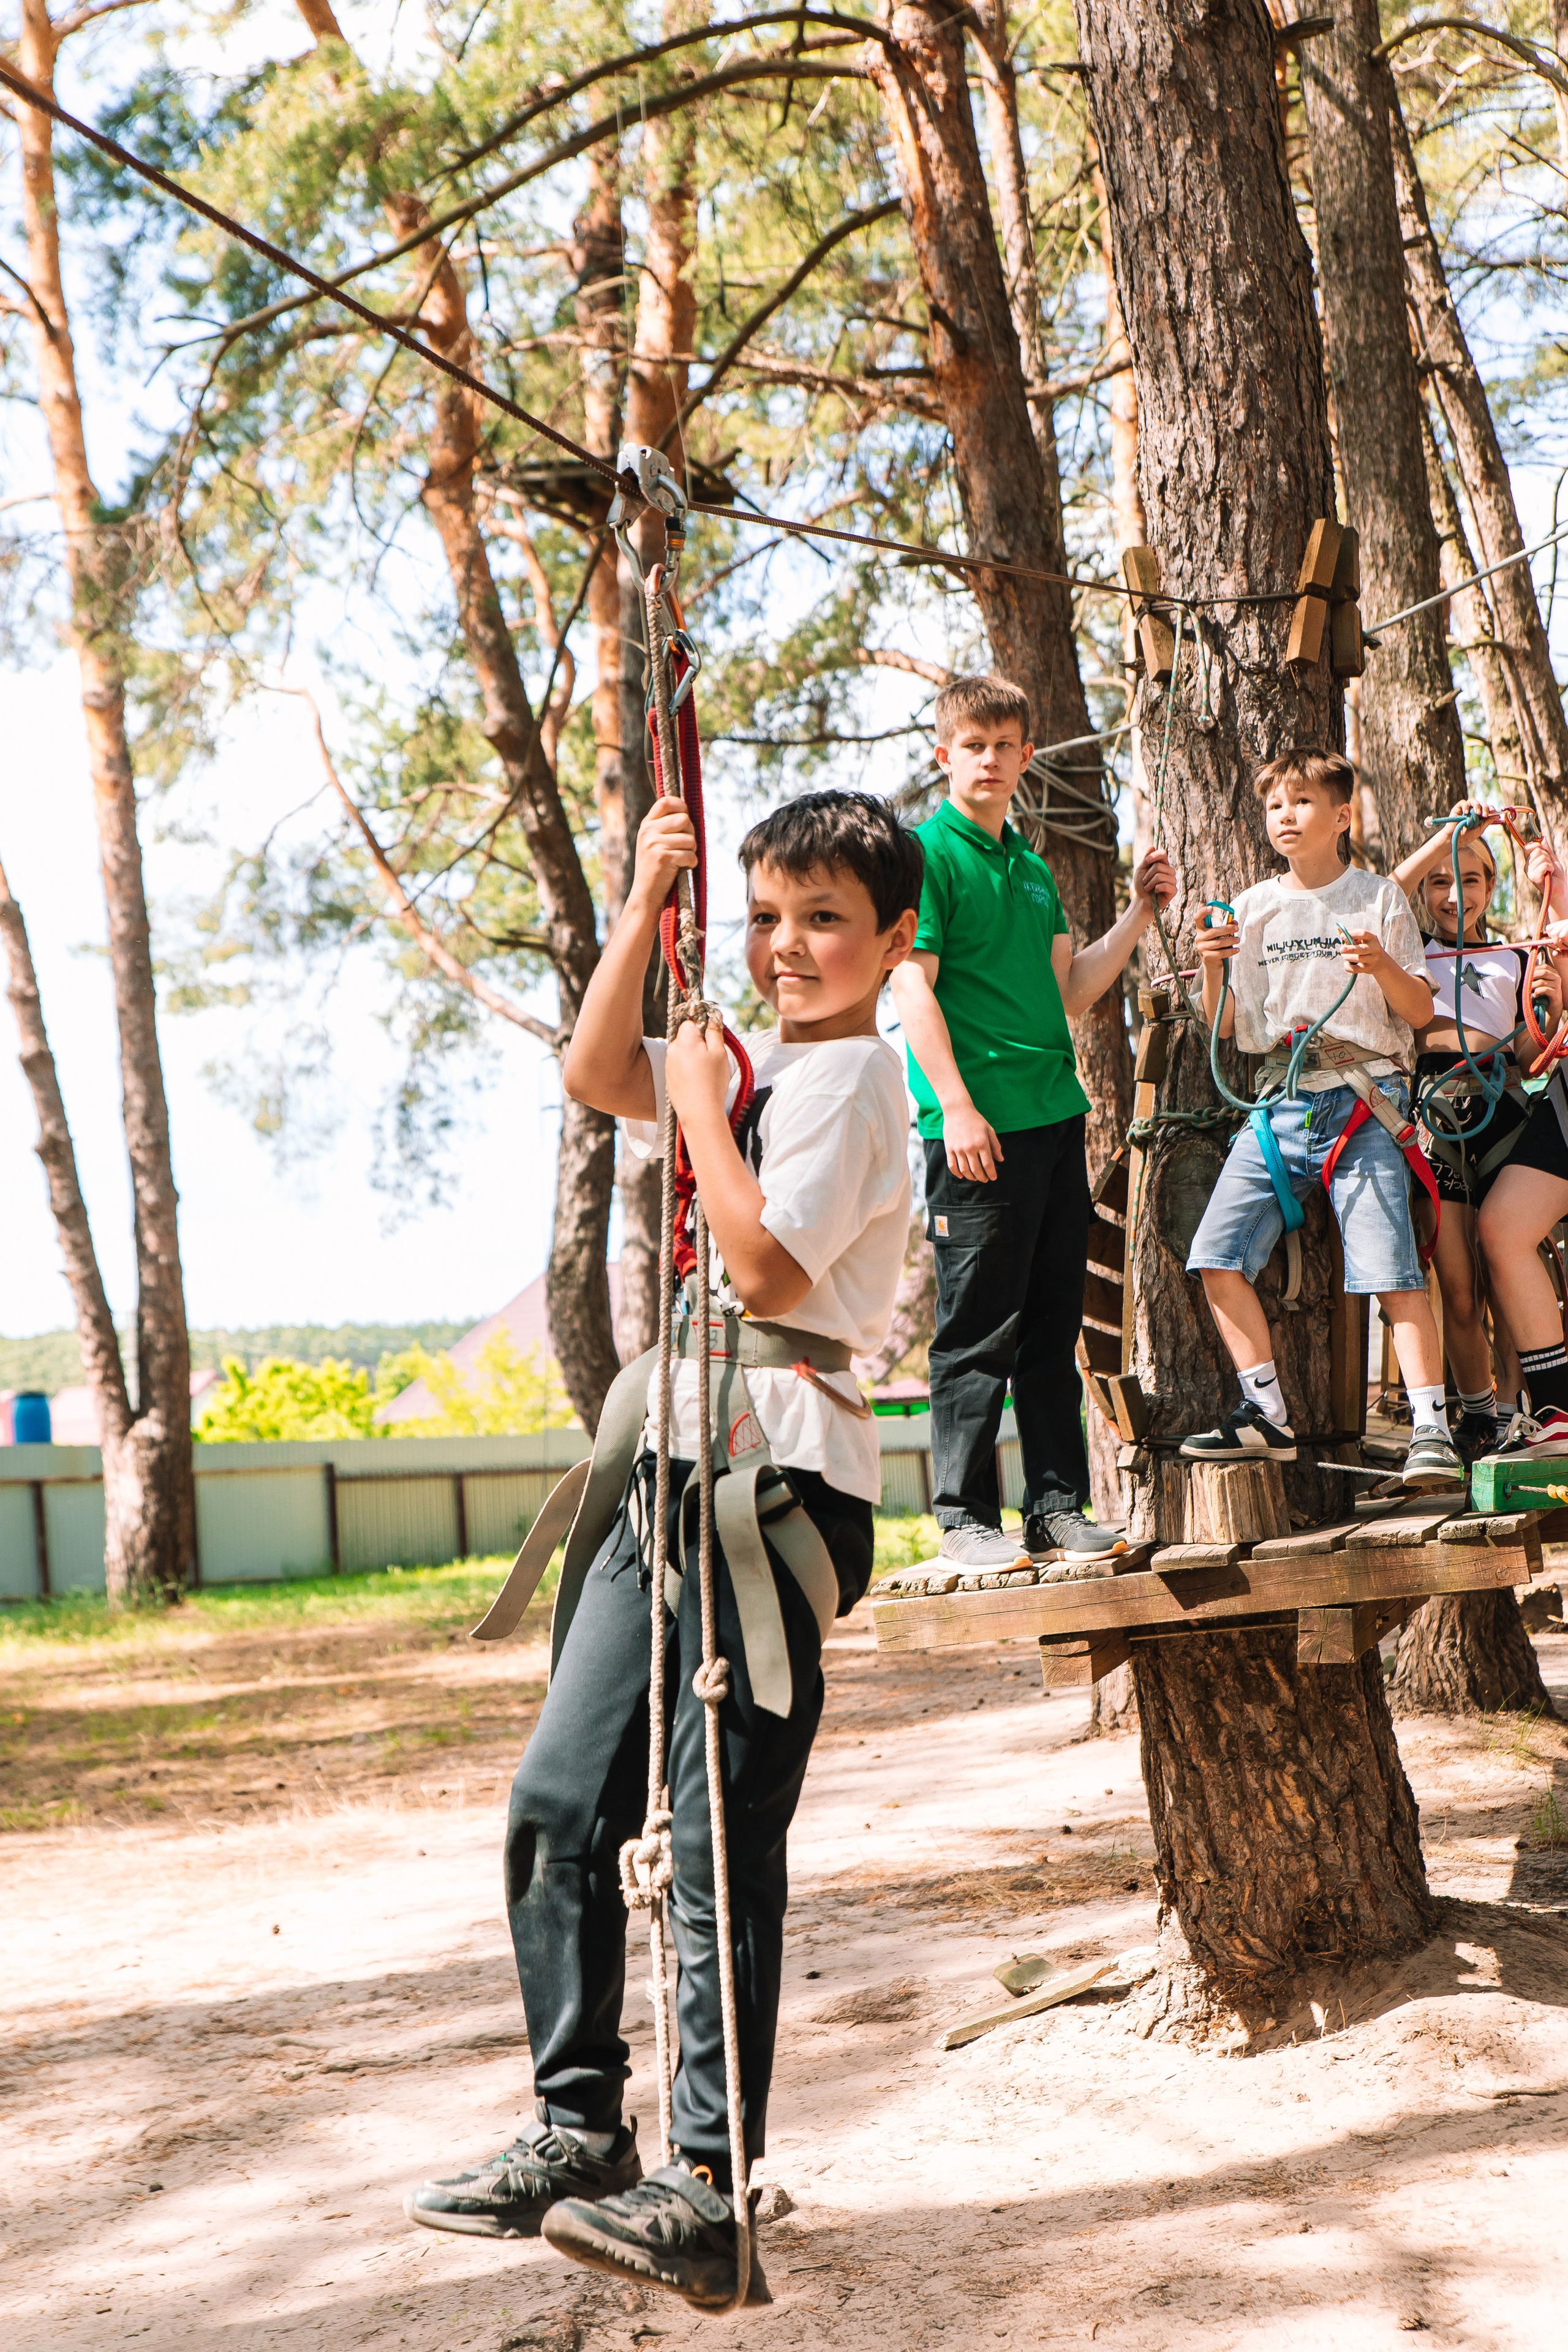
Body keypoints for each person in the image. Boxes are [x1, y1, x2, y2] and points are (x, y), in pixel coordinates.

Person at [403, 790, 922, 2310]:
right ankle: (576, 2127)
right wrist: (643, 899)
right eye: (765, 917)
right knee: (558, 1796)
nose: (786, 946)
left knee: (710, 1839)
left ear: (893, 940)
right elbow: (591, 1068)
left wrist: (699, 1106)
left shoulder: (858, 1084)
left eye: (823, 918)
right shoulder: (751, 1060)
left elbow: (762, 1261)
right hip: (666, 1455)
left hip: (774, 1480)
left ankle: (705, 2180)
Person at [887, 673, 1177, 1572]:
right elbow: (908, 986)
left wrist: (1140, 912)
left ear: (1024, 757)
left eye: (1007, 745)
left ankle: (1055, 1510)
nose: (991, 759)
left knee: (1053, 1330)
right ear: (945, 754)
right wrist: (958, 1108)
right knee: (977, 1331)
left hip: (1055, 1122)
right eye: (974, 744)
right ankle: (966, 1520)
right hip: (973, 1131)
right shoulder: (925, 856)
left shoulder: (1034, 866)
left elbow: (1074, 993)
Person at [1180, 748, 1464, 1487]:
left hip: (1364, 1101)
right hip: (1278, 1101)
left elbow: (1420, 1011)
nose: (1285, 816)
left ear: (1341, 817)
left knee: (1389, 1266)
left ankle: (1430, 1430)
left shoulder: (1376, 900)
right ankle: (1265, 1414)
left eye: (1302, 803)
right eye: (1275, 805)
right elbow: (1230, 1029)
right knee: (1215, 1256)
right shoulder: (1251, 909)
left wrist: (1381, 968)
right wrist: (1211, 966)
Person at [1392, 804, 1566, 1460]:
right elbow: (1384, 891)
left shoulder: (1515, 956)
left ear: (1489, 889)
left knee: (1506, 1266)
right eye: (1439, 881)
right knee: (1458, 1290)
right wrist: (1444, 835)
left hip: (1503, 1111)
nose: (1454, 894)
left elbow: (1529, 1057)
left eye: (1469, 880)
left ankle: (1527, 1411)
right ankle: (1478, 1415)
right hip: (1436, 1120)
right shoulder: (1408, 952)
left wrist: (1546, 1006)